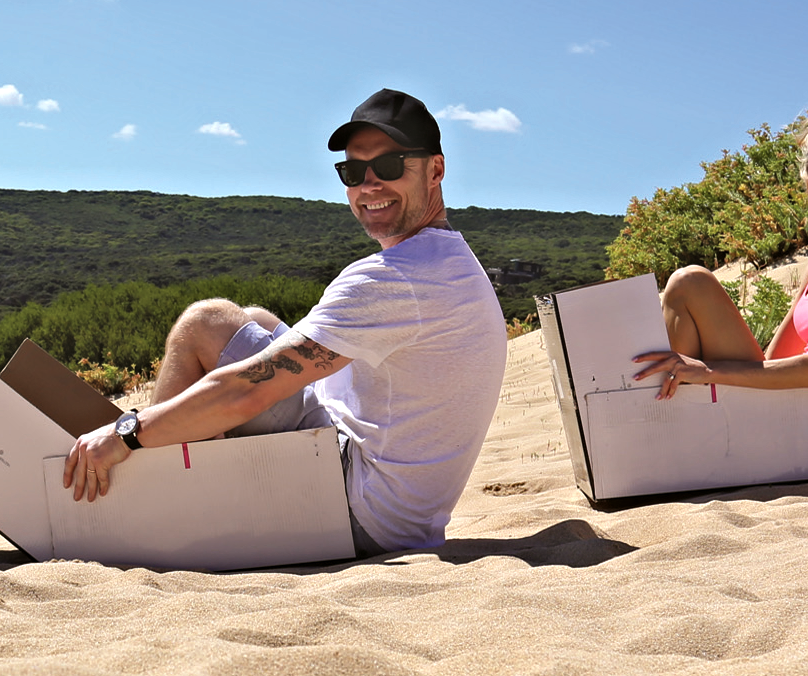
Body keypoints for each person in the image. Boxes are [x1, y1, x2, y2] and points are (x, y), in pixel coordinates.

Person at [61, 88, 509, 555]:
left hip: (359, 510)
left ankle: (150, 506)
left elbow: (248, 391)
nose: (369, 186)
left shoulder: (399, 278)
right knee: (254, 318)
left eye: (390, 166)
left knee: (205, 324)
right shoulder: (446, 258)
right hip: (398, 504)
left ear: (435, 170)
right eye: (354, 172)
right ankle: (184, 463)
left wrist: (128, 433)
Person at [632, 94, 808, 452]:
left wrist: (707, 371)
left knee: (690, 284)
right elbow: (773, 361)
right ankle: (672, 426)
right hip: (780, 413)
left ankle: (668, 437)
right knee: (687, 284)